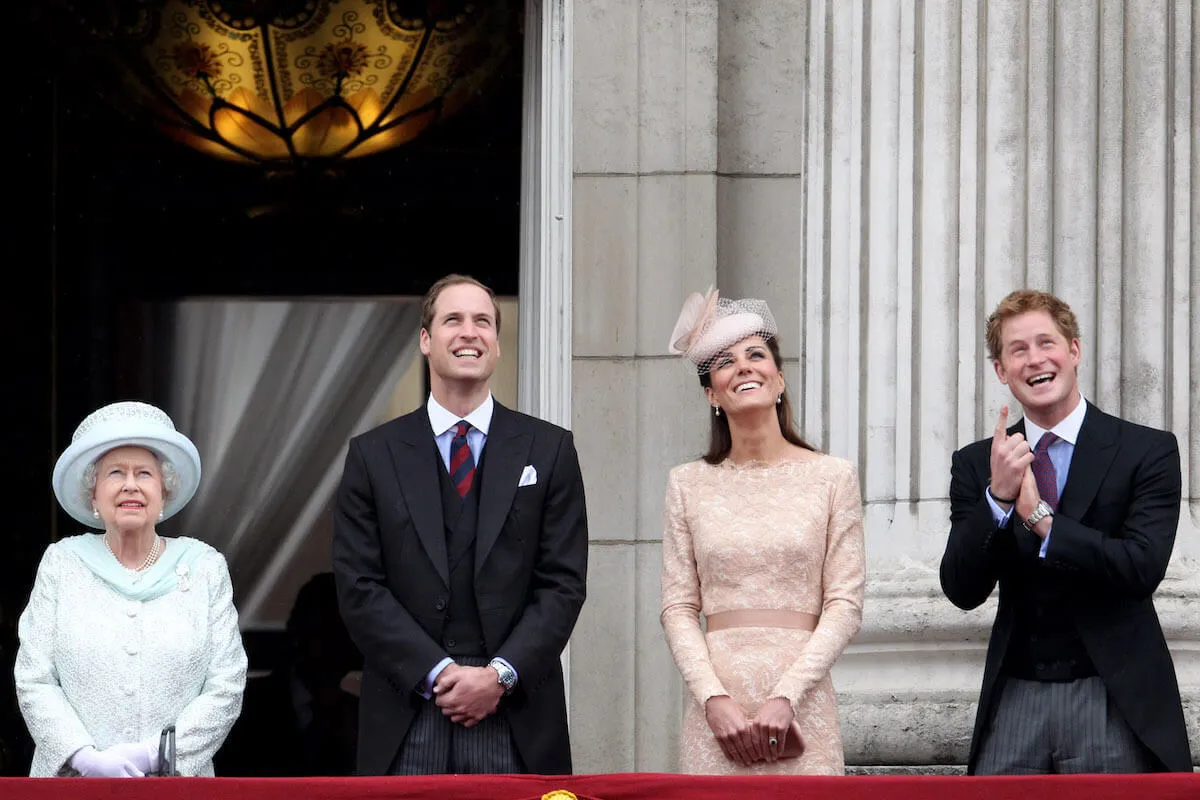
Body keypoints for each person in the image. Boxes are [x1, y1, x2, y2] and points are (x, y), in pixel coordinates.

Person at [332, 274, 588, 776]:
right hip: (408, 710)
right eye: (453, 320)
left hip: (515, 710)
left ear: (495, 342)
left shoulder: (549, 449)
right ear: (426, 340)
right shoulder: (373, 455)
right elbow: (360, 587)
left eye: (483, 322)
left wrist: (499, 676)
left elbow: (562, 583)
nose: (469, 332)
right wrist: (439, 673)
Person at [940, 289, 1191, 774]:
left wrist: (1042, 519)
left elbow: (1141, 568)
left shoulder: (1147, 450)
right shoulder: (978, 464)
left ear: (1073, 351)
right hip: (1016, 695)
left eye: (1046, 343)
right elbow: (961, 588)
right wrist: (997, 499)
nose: (1035, 359)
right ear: (1001, 370)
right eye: (1018, 349)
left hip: (1113, 696)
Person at [659, 288, 865, 775]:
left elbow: (845, 602)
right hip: (717, 714)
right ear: (712, 393)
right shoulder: (686, 484)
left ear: (779, 378)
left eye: (757, 354)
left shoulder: (833, 476)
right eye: (726, 362)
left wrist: (787, 694)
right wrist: (713, 697)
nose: (745, 366)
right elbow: (678, 606)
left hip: (803, 704)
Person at [15, 401, 247, 777]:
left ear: (164, 492)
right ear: (93, 495)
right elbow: (33, 677)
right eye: (114, 473)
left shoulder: (205, 567)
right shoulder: (61, 563)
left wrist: (156, 755)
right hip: (72, 786)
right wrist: (83, 757)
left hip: (174, 787)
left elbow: (227, 684)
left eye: (144, 473)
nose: (130, 485)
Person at [215, 572, 362, 776]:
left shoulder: (360, 716)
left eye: (343, 634)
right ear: (299, 632)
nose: (336, 646)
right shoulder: (245, 706)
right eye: (326, 630)